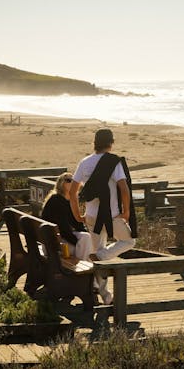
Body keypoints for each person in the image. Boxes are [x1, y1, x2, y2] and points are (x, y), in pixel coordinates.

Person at [70, 128, 137, 305]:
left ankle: (105, 295)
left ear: (95, 143)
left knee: (97, 250)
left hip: (91, 216)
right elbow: (124, 188)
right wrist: (127, 212)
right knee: (129, 242)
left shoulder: (84, 162)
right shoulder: (114, 162)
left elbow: (73, 192)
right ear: (111, 143)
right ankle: (100, 261)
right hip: (112, 216)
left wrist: (78, 214)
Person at [41, 172, 92, 261]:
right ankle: (82, 271)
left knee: (86, 238)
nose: (72, 182)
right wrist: (78, 243)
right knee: (85, 245)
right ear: (61, 184)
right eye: (68, 180)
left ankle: (83, 268)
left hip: (57, 241)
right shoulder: (56, 200)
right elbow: (63, 228)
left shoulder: (69, 201)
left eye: (74, 180)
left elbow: (76, 224)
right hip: (54, 245)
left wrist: (85, 239)